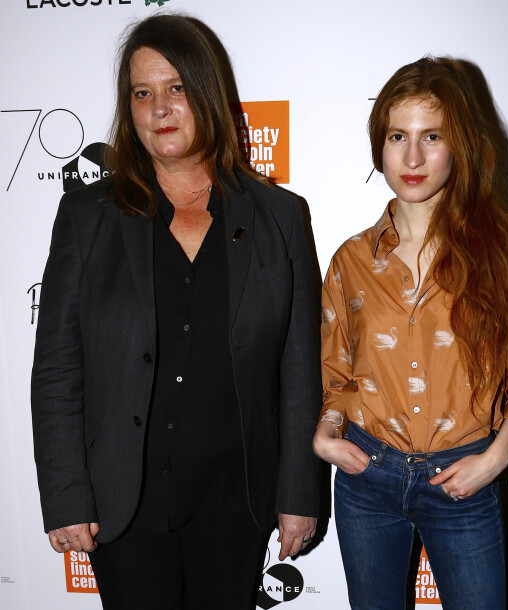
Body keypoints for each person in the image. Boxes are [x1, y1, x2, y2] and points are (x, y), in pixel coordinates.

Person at [31, 14, 320, 610]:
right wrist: (66, 496)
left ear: (207, 95)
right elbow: (58, 369)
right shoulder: (88, 217)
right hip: (123, 504)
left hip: (235, 501)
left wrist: (299, 491)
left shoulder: (280, 217)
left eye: (176, 88)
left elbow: (299, 373)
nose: (159, 108)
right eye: (142, 93)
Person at [313, 56, 508, 610]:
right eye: (399, 135)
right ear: (380, 144)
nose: (414, 157)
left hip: (466, 483)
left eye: (433, 136)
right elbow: (337, 376)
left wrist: (497, 458)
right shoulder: (351, 261)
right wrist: (327, 435)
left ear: (461, 145)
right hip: (367, 480)